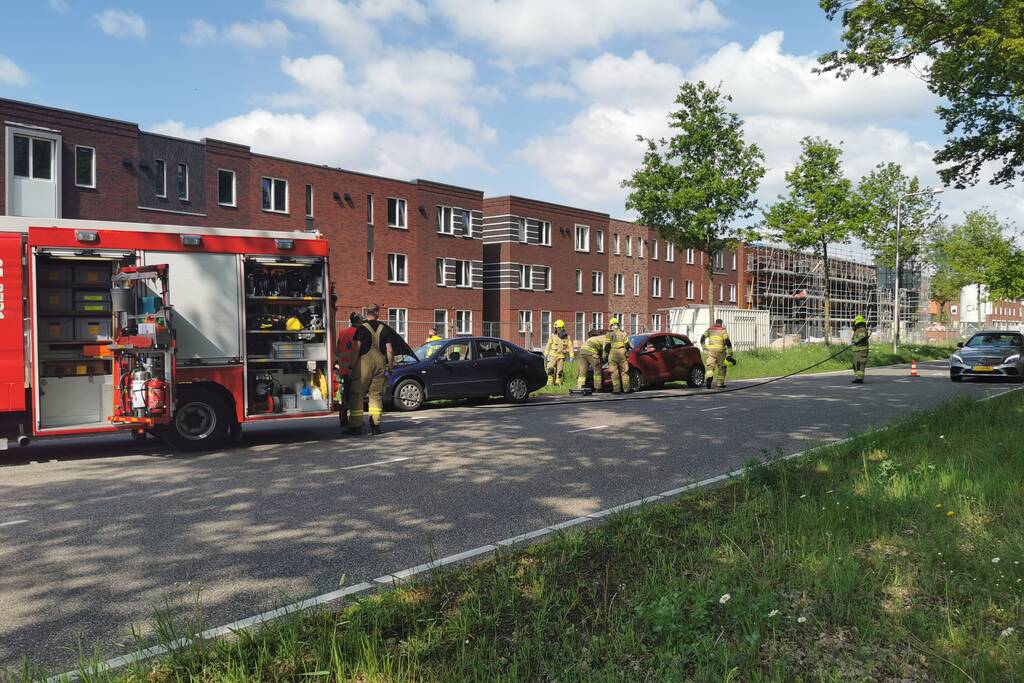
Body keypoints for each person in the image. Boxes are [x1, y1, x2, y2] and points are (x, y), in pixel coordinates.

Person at [348, 304, 399, 435]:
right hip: (380, 365)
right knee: (375, 396)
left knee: (357, 394)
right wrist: (391, 366)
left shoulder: (361, 329)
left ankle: (356, 426)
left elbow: (356, 349)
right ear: (377, 313)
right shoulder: (385, 329)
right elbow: (390, 350)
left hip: (363, 365)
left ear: (367, 313)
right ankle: (375, 426)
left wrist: (351, 367)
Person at [335, 312, 362, 426]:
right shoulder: (361, 333)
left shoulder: (342, 333)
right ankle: (355, 420)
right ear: (359, 321)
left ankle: (343, 417)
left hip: (343, 368)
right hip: (355, 368)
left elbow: (337, 350)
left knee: (345, 394)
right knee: (356, 395)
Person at [700, 318, 732, 389]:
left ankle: (708, 381)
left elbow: (702, 338)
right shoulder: (723, 330)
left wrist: (704, 347)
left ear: (715, 323)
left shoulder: (709, 329)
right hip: (720, 352)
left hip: (711, 351)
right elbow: (727, 341)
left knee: (710, 367)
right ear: (721, 323)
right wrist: (730, 352)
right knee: (722, 367)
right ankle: (720, 384)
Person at [576, 328, 610, 392]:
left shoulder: (596, 338)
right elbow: (605, 349)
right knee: (597, 369)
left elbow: (599, 350)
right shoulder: (607, 338)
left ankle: (580, 387)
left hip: (582, 351)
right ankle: (598, 388)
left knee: (582, 371)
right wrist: (605, 357)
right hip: (591, 351)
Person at [606, 317, 631, 393]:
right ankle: (626, 390)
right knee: (624, 372)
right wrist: (626, 353)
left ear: (611, 325)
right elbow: (627, 344)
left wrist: (606, 355)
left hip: (612, 354)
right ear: (618, 325)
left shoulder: (609, 334)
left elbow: (607, 346)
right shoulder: (623, 333)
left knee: (614, 373)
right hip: (622, 353)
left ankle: (616, 390)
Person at [544, 319, 570, 386]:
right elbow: (548, 344)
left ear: (561, 328)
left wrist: (572, 355)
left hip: (561, 356)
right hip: (553, 355)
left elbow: (570, 346)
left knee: (559, 371)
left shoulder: (566, 337)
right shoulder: (553, 335)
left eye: (558, 328)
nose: (556, 329)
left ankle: (558, 383)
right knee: (550, 368)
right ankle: (549, 383)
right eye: (556, 328)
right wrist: (546, 353)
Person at [851, 314, 870, 384]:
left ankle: (860, 379)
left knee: (859, 364)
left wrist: (855, 341)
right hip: (857, 350)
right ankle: (857, 378)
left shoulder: (862, 329)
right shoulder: (858, 330)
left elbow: (862, 337)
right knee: (855, 364)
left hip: (862, 351)